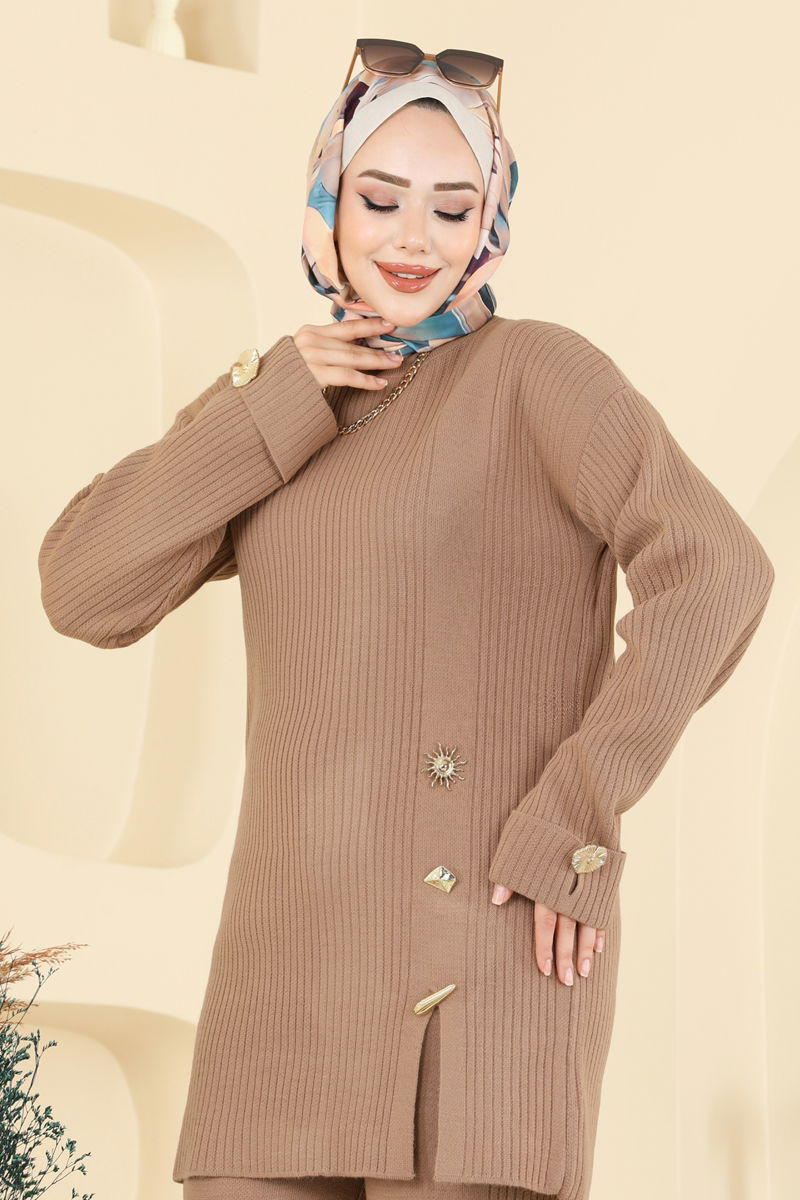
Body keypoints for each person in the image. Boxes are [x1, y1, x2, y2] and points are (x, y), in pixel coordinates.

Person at [37, 42, 775, 1200]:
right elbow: (86, 588)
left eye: (452, 206)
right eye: (379, 200)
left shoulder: (537, 372)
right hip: (285, 965)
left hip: (483, 931)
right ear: (326, 199)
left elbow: (716, 571)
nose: (412, 239)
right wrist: (272, 395)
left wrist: (575, 819)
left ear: (491, 219)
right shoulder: (286, 405)